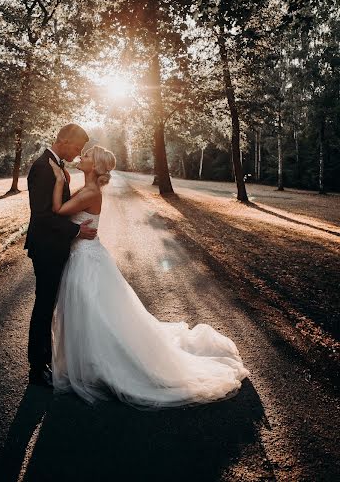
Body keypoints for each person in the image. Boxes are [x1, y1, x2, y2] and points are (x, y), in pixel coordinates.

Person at [50, 145, 250, 408]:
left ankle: (101, 364)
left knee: (93, 311)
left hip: (86, 258)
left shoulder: (90, 192)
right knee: (95, 312)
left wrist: (57, 180)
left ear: (95, 166)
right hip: (86, 254)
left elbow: (57, 210)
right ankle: (91, 362)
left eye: (86, 156)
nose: (82, 157)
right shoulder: (88, 189)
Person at [25, 123, 97, 387]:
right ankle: (37, 367)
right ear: (64, 140)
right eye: (77, 147)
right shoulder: (43, 167)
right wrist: (77, 230)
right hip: (45, 247)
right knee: (44, 304)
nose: (79, 153)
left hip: (55, 246)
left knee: (50, 303)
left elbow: (60, 208)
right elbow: (42, 216)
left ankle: (45, 358)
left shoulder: (56, 166)